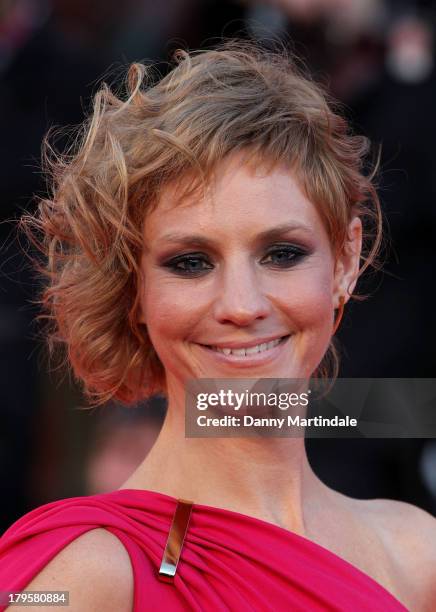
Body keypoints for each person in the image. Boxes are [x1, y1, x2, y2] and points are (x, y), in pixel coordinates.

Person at [0, 40, 435, 612]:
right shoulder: (84, 572)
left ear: (346, 261)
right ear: (135, 290)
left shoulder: (418, 553)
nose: (241, 304)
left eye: (282, 253)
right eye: (190, 263)